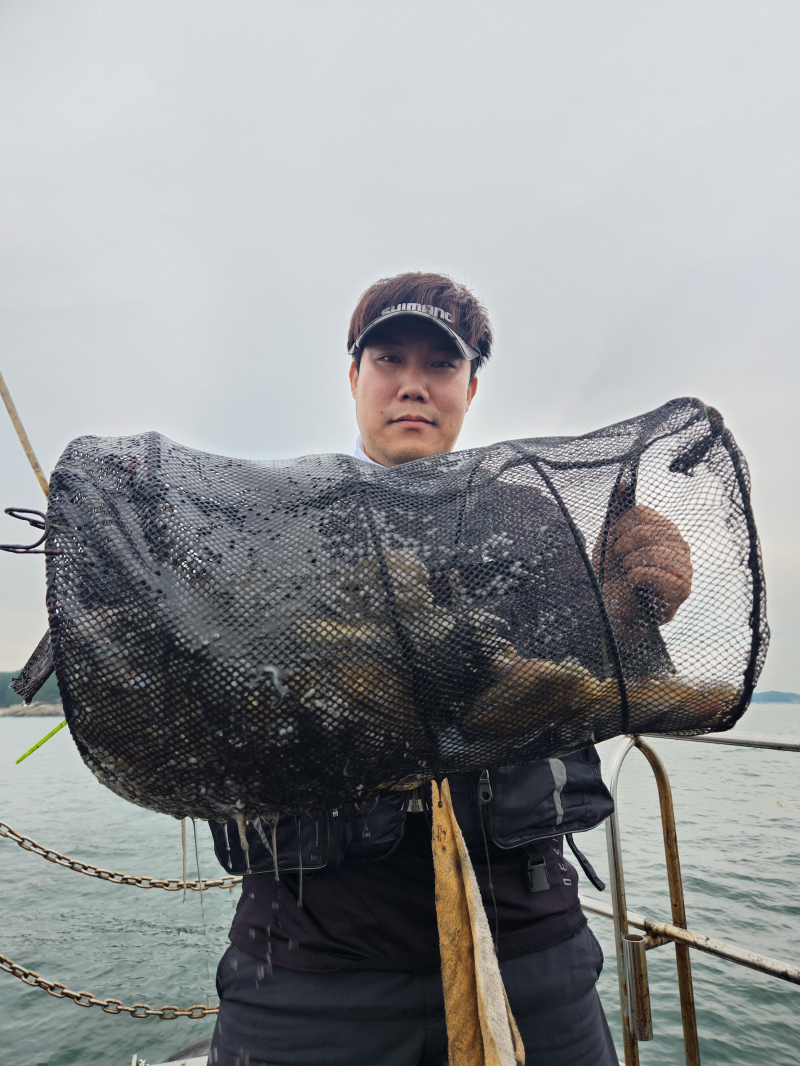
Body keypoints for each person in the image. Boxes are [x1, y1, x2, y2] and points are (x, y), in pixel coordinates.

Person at [208, 272, 692, 1066]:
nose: (412, 385)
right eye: (389, 357)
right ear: (353, 376)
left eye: (439, 365)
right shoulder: (277, 534)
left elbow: (621, 694)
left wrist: (633, 617)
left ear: (470, 385)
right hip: (309, 970)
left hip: (530, 958)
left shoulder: (536, 526)